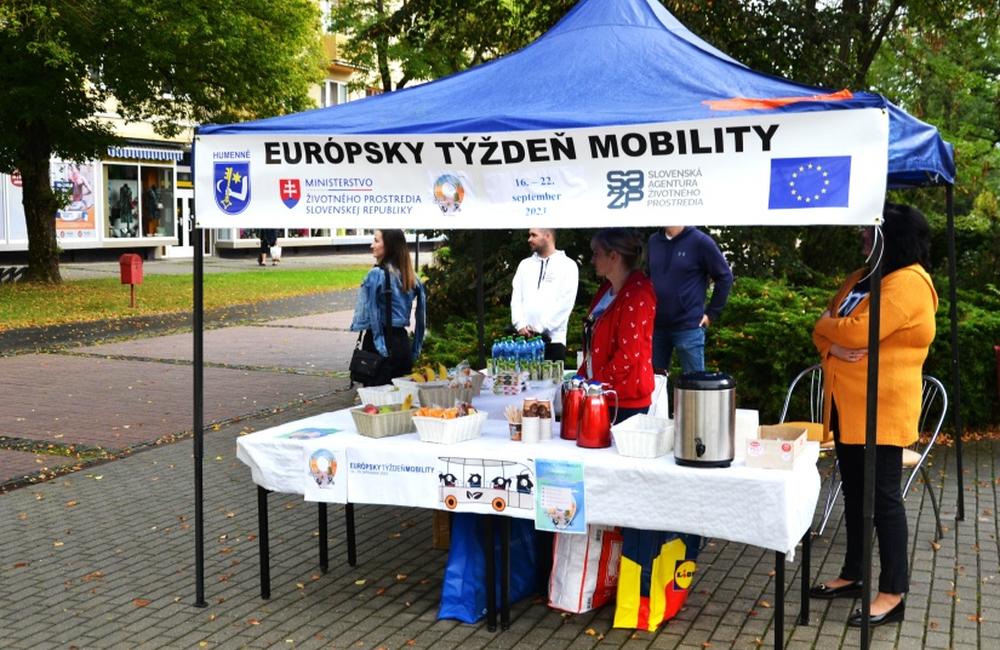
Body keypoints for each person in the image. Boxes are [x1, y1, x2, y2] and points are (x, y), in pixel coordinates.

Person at [808, 203, 938, 628]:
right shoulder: (863, 279)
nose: (863, 236)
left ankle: (893, 591)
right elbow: (822, 326)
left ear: (893, 236)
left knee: (883, 501)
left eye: (870, 230)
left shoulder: (910, 283)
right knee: (855, 495)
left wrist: (831, 328)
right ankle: (854, 573)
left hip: (880, 409)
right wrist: (831, 342)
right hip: (847, 406)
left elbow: (856, 330)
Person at [582, 228, 656, 423]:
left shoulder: (638, 295)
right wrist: (582, 377)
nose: (592, 260)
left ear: (614, 256)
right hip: (605, 392)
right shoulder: (607, 289)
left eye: (596, 254)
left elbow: (628, 354)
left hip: (624, 399)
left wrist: (595, 383)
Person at [646, 226, 733, 374]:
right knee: (654, 384)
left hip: (688, 326)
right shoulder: (653, 241)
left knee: (695, 384)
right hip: (657, 326)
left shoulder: (700, 241)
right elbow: (648, 277)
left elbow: (725, 276)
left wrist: (711, 313)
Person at [350, 229, 427, 386]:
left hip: (379, 340)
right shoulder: (411, 276)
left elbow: (372, 313)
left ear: (389, 246)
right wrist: (416, 347)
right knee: (401, 397)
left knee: (376, 398)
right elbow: (421, 316)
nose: (372, 245)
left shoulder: (376, 274)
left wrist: (380, 346)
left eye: (377, 241)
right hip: (403, 343)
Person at [510, 228, 579, 362]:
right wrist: (520, 325)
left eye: (533, 235)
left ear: (547, 236)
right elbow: (516, 297)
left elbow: (565, 303)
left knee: (551, 383)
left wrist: (540, 327)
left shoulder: (568, 266)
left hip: (554, 341)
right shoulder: (525, 265)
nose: (529, 239)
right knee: (523, 382)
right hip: (524, 342)